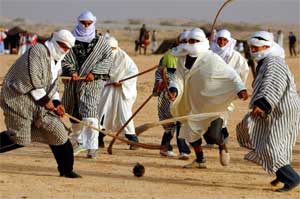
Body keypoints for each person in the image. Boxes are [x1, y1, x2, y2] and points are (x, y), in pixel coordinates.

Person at [0, 29, 81, 178]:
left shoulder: (58, 60)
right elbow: (32, 80)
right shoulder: (38, 50)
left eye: (68, 48)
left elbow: (53, 85)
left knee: (59, 133)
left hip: (41, 103)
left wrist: (56, 103)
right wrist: (47, 102)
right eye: (63, 46)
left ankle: (66, 170)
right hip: (18, 99)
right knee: (20, 138)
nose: (65, 51)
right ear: (56, 41)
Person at [169, 28, 248, 168]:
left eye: (194, 41)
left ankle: (222, 146)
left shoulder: (211, 58)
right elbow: (178, 77)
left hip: (212, 103)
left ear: (201, 42)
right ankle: (200, 160)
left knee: (212, 136)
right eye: (188, 41)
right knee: (191, 135)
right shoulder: (182, 59)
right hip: (192, 104)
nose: (190, 44)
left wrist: (240, 88)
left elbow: (231, 75)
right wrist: (174, 88)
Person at [236, 31, 300, 192]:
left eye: (257, 47)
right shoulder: (265, 61)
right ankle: (282, 173)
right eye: (252, 47)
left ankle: (292, 178)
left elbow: (274, 84)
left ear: (267, 45)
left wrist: (263, 104)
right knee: (276, 144)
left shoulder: (273, 62)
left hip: (283, 109)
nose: (253, 49)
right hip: (276, 109)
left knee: (270, 146)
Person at [62, 11, 112, 159]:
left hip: (93, 83)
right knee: (74, 113)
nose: (86, 25)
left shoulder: (101, 42)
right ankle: (77, 142)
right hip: (73, 83)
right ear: (79, 22)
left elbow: (107, 59)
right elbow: (64, 57)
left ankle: (92, 147)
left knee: (90, 114)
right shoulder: (70, 39)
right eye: (84, 23)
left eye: (89, 23)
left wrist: (94, 73)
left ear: (93, 23)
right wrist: (71, 71)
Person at [206, 29, 250, 147]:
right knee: (205, 115)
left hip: (226, 91)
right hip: (209, 90)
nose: (221, 42)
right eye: (219, 39)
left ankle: (223, 139)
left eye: (225, 40)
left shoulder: (235, 56)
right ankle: (210, 141)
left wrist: (238, 87)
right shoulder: (210, 52)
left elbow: (243, 71)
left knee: (222, 116)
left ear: (229, 41)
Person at [152, 30, 191, 159]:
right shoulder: (168, 56)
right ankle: (166, 147)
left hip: (186, 93)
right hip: (169, 93)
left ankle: (183, 150)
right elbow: (160, 72)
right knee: (170, 122)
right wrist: (161, 82)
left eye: (187, 41)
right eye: (182, 41)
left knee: (182, 121)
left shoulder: (195, 57)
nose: (185, 44)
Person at [98, 37, 139, 149]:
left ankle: (133, 140)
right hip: (108, 89)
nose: (111, 51)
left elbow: (134, 72)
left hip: (122, 91)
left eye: (113, 48)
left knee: (124, 114)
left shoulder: (124, 58)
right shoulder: (102, 57)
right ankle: (99, 139)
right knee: (103, 112)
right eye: (108, 48)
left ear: (116, 47)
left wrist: (122, 82)